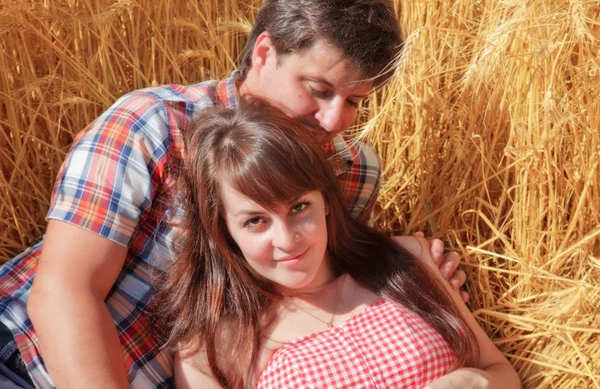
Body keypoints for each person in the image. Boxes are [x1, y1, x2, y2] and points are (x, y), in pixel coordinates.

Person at [0, 0, 466, 387]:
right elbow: (64, 290)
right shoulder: (153, 124)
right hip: (25, 360)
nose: (333, 121)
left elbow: (308, 284)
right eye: (319, 89)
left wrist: (415, 279)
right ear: (264, 53)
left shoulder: (352, 170)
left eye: (354, 102)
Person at [155, 101, 520, 389]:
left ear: (326, 201)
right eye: (255, 221)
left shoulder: (408, 262)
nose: (286, 239)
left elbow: (502, 374)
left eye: (299, 208)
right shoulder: (212, 351)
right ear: (224, 230)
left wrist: (471, 381)